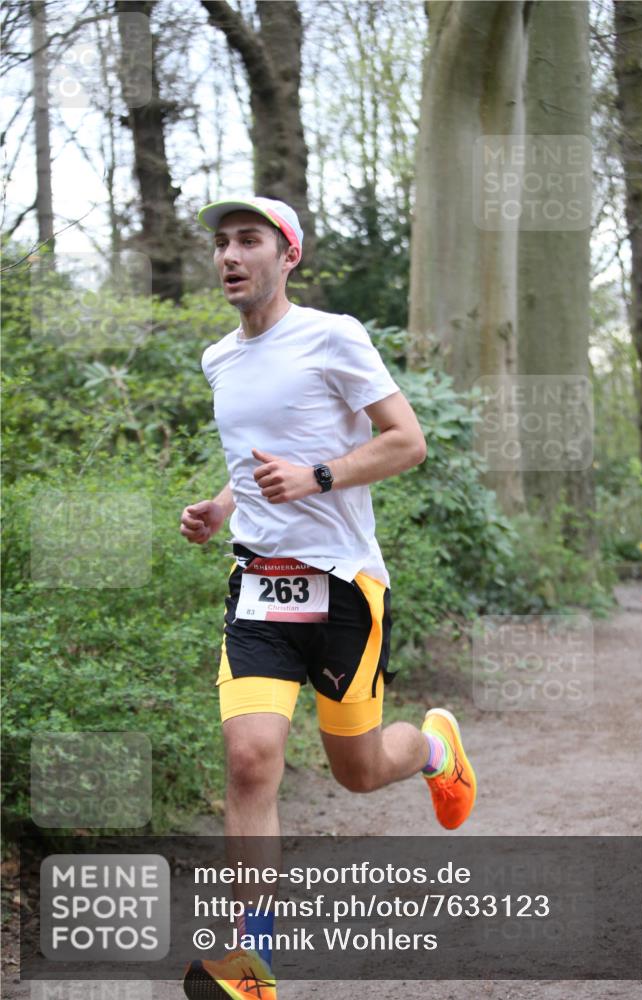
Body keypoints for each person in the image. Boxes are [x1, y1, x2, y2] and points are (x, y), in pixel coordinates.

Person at [181, 196, 476, 1000]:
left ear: (288, 256)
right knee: (249, 761)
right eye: (221, 243)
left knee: (356, 770)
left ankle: (432, 750)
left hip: (344, 587)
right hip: (259, 588)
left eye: (250, 241)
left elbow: (405, 441)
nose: (231, 255)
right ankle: (251, 958)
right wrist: (222, 505)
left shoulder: (332, 335)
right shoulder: (218, 359)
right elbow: (253, 467)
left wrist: (319, 477)